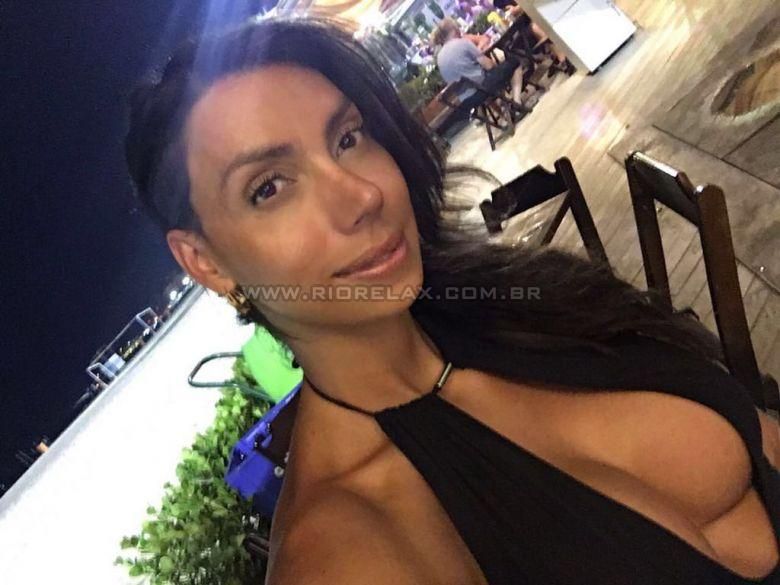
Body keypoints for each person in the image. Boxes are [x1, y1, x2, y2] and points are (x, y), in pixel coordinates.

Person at [125, 16, 780, 584]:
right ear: (207, 263)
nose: (363, 195)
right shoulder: (348, 553)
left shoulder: (509, 298)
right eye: (270, 187)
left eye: (347, 138)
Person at [432, 17, 529, 107]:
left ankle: (507, 101)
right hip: (482, 88)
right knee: (514, 62)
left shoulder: (439, 59)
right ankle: (517, 103)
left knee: (497, 74)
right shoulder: (461, 43)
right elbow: (489, 66)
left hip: (467, 100)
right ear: (454, 29)